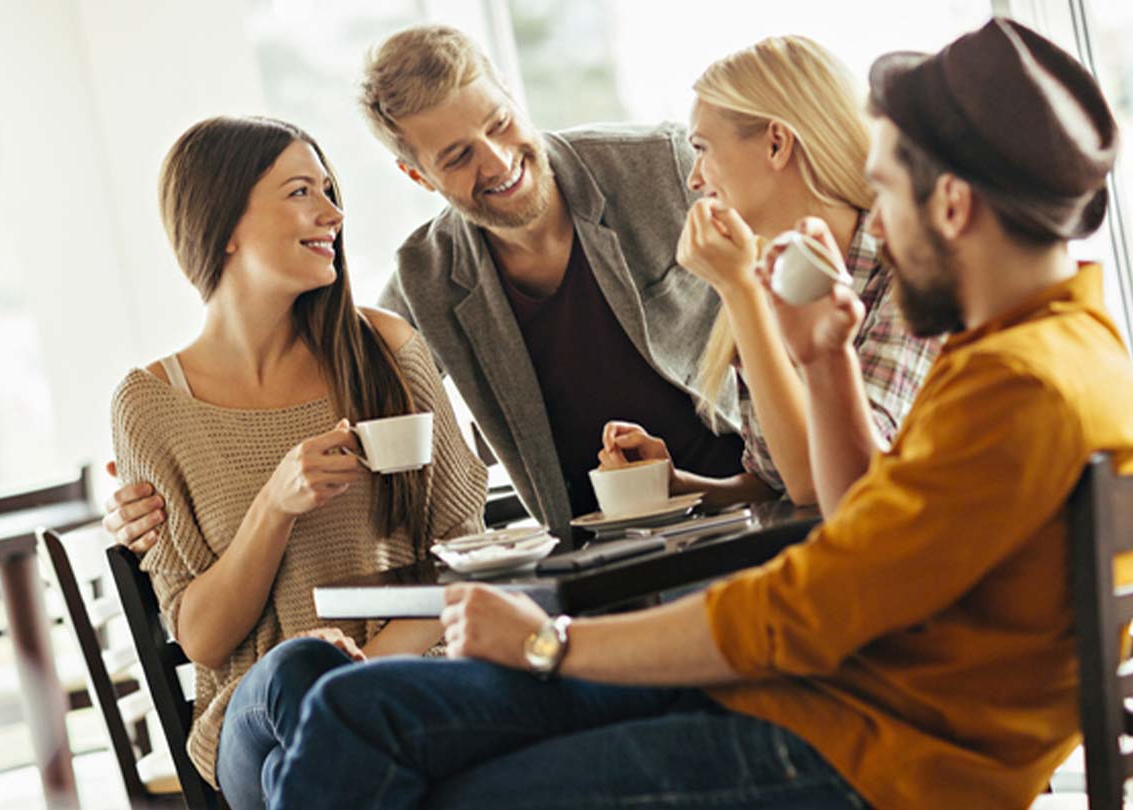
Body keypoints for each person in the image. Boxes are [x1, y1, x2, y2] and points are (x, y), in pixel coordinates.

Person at [269, 18, 1132, 809]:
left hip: (865, 749)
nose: (876, 226)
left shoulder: (1019, 390)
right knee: (356, 704)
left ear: (949, 205)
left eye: (884, 191)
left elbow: (807, 606)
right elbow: (866, 524)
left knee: (434, 775)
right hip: (816, 697)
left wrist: (550, 644)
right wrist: (822, 356)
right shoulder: (1052, 352)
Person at [105, 24, 744, 542]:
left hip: (755, 501)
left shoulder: (662, 167)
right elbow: (338, 396)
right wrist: (157, 490)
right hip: (600, 562)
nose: (497, 162)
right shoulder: (424, 281)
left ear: (512, 97)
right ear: (419, 178)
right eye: (457, 156)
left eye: (497, 124)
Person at [110, 115, 487, 809]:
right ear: (222, 224)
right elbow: (202, 640)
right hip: (258, 717)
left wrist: (359, 685)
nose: (333, 213)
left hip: (411, 681)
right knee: (300, 670)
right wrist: (274, 505)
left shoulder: (387, 350)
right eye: (300, 192)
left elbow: (463, 553)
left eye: (329, 189)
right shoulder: (153, 405)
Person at [599, 36, 939, 508]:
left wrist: (738, 290)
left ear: (777, 144)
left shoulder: (907, 278)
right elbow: (773, 480)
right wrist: (676, 484)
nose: (694, 179)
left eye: (702, 147)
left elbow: (823, 488)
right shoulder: (774, 272)